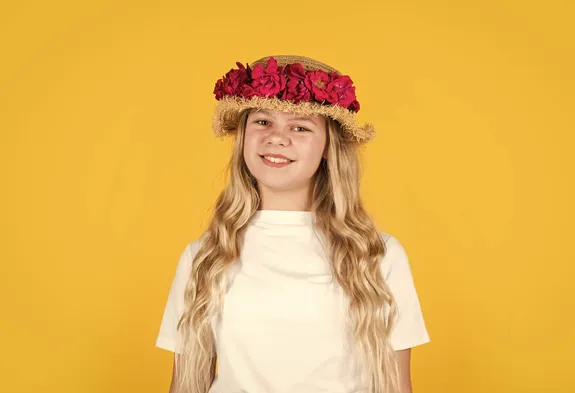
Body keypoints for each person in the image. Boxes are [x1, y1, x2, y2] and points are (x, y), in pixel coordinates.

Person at [155, 55, 431, 393]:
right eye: (262, 122)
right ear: (243, 137)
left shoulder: (378, 255)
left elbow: (396, 386)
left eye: (300, 127)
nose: (277, 138)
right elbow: (185, 385)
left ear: (329, 146)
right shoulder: (205, 257)